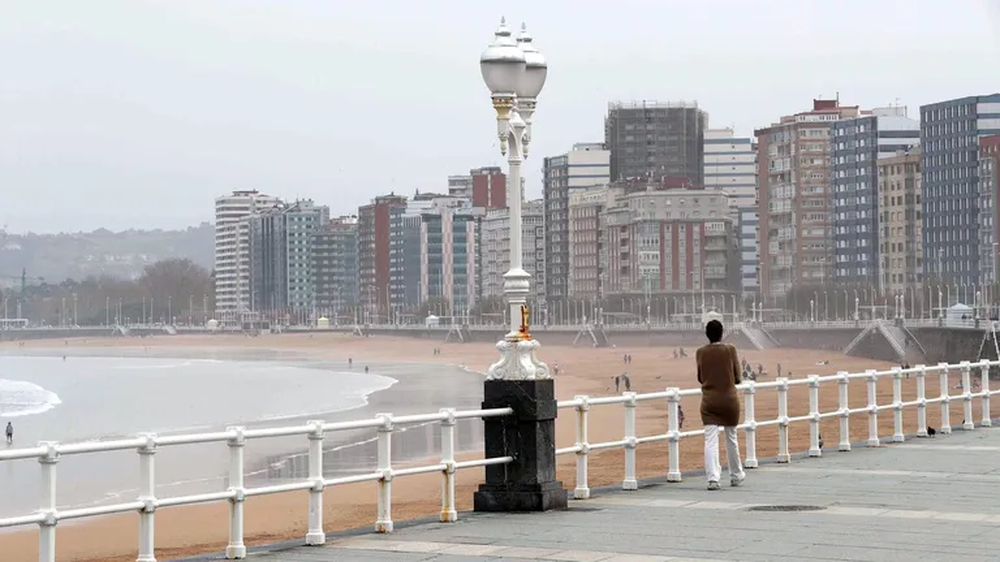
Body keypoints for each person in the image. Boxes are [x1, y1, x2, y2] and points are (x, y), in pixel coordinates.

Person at [696, 319, 746, 491]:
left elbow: (701, 378)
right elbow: (738, 378)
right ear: (722, 333)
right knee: (731, 438)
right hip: (729, 400)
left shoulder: (700, 352)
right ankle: (736, 474)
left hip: (709, 401)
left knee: (710, 440)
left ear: (707, 334)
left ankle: (713, 478)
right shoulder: (730, 350)